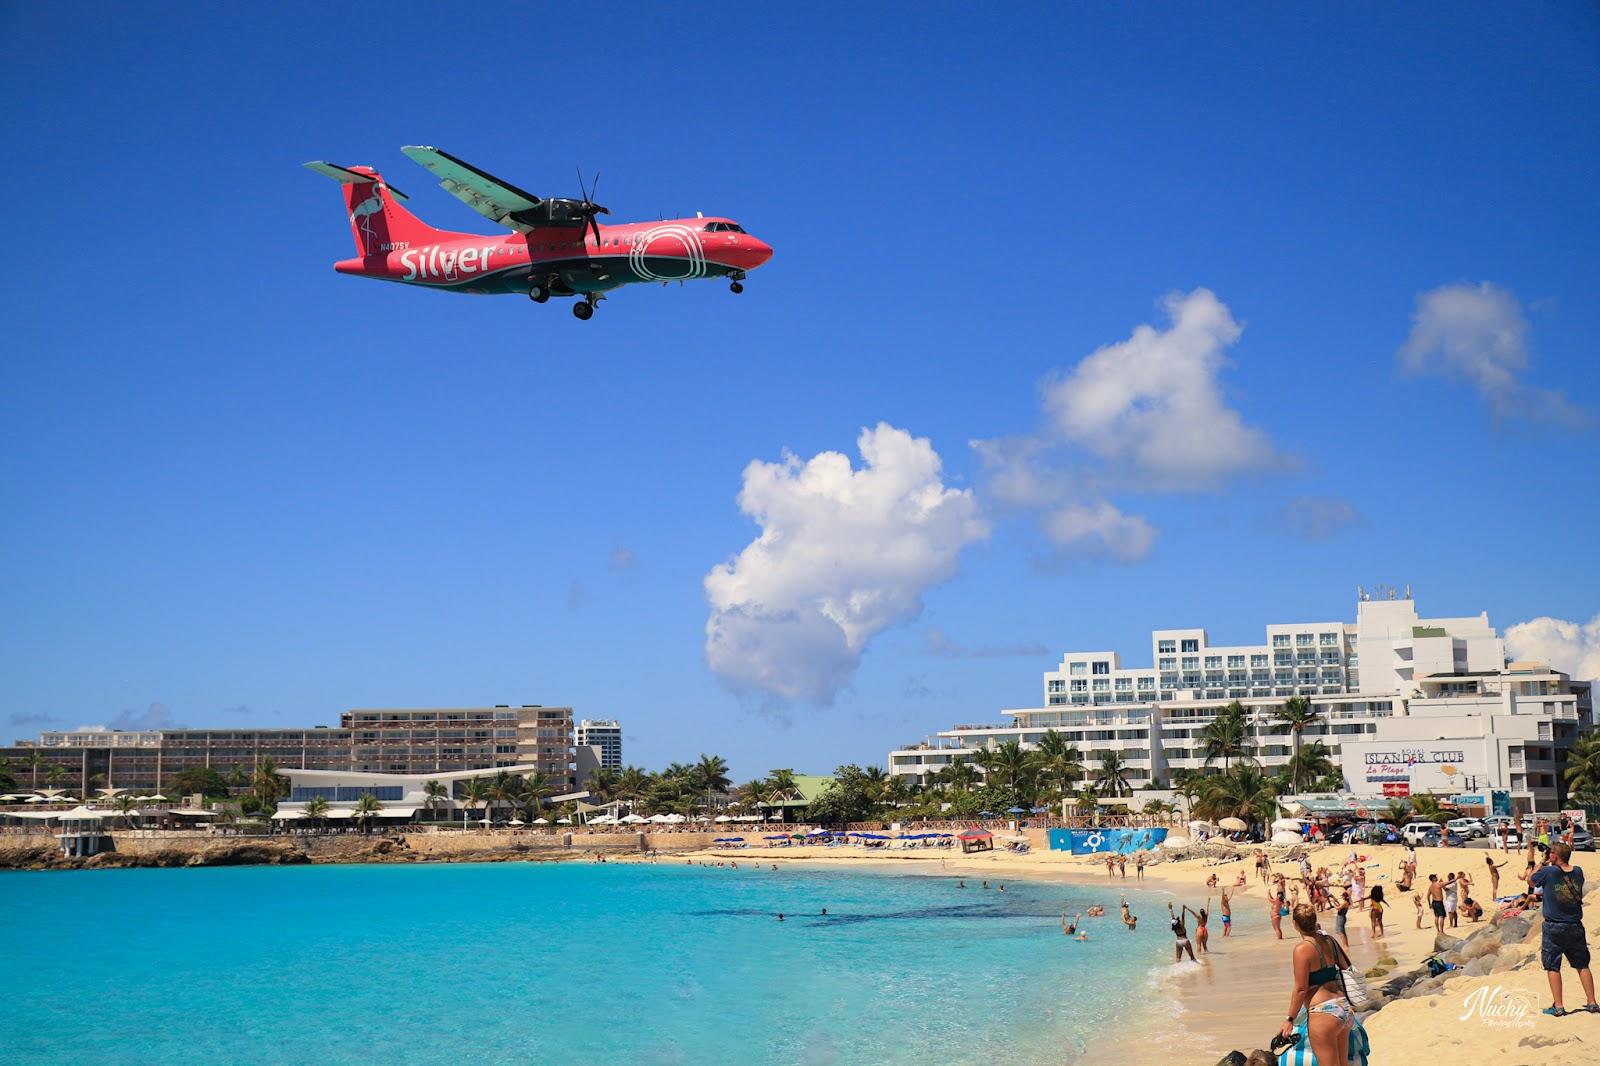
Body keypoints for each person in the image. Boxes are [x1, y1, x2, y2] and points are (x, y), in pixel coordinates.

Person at [1523, 839, 1598, 1017]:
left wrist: (1542, 861)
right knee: (1582, 964)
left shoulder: (1548, 872)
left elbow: (1531, 881)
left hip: (1554, 925)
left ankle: (1559, 1006)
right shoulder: (1578, 871)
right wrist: (1553, 858)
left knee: (1553, 966)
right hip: (1575, 924)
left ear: (1553, 856)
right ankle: (1592, 1002)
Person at [1280, 903, 1356, 1066]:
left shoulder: (1302, 949)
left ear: (1295, 924)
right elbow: (1347, 968)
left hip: (1323, 1012)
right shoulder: (1330, 941)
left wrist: (1290, 1018)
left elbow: (1301, 989)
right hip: (1343, 1006)